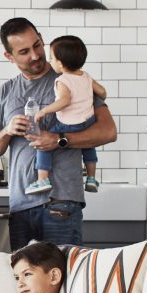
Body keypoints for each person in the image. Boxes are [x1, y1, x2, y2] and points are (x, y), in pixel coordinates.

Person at [0, 18, 117, 249]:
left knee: (63, 280)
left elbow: (108, 131)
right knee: (25, 282)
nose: (35, 55)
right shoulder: (5, 91)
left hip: (61, 203)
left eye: (37, 45)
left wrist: (60, 140)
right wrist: (7, 130)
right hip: (21, 207)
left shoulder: (71, 79)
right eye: (24, 51)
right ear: (9, 56)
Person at [26, 35, 108, 196]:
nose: (49, 61)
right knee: (88, 147)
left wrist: (43, 111)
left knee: (43, 145)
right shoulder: (85, 76)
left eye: (51, 58)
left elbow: (64, 101)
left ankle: (42, 179)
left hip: (68, 124)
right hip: (88, 122)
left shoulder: (62, 80)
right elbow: (103, 92)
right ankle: (91, 178)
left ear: (61, 64)